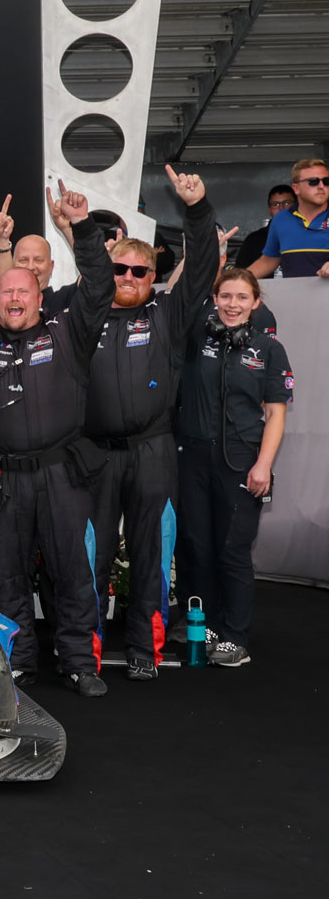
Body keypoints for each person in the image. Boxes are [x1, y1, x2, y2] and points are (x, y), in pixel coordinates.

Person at [0, 188, 113, 696]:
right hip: (3, 478)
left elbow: (99, 288)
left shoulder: (68, 334)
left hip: (61, 475)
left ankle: (78, 661)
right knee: (6, 576)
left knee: (72, 571)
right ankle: (18, 663)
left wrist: (84, 229)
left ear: (39, 296)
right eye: (6, 293)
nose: (14, 299)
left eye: (23, 292)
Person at [85, 166, 217, 680]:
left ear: (152, 274)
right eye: (119, 270)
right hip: (93, 454)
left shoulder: (167, 314)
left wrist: (198, 210)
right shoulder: (80, 315)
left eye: (139, 272)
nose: (128, 279)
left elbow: (203, 266)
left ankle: (145, 649)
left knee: (152, 555)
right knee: (91, 560)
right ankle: (87, 653)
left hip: (153, 451)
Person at [176, 268, 293, 667]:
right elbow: (181, 292)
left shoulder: (269, 350)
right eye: (225, 296)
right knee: (196, 545)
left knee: (233, 549)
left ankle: (234, 636)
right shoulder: (196, 338)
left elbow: (276, 414)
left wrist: (264, 464)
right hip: (192, 458)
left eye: (242, 298)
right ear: (215, 298)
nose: (232, 305)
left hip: (243, 463)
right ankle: (202, 625)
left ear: (256, 303)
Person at [247, 157, 329, 279]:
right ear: (296, 188)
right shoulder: (281, 219)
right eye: (313, 181)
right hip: (293, 296)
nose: (321, 186)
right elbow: (268, 260)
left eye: (326, 181)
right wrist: (237, 281)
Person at [233, 184, 299, 269]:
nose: (281, 208)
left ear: (297, 206)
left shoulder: (307, 233)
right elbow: (242, 275)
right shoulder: (253, 240)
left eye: (287, 203)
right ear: (269, 210)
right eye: (276, 204)